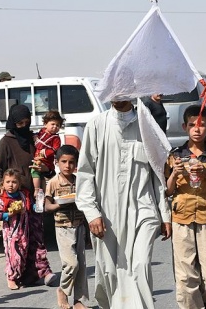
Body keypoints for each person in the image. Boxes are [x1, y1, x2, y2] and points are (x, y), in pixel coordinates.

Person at [75, 99, 171, 309]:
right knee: (109, 272)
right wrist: (92, 213)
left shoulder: (147, 126)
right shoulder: (97, 125)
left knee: (141, 265)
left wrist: (165, 215)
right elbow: (85, 173)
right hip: (107, 213)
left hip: (144, 210)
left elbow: (157, 175)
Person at [165, 105, 206, 309]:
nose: (197, 129)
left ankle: (205, 300)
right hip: (181, 219)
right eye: (192, 125)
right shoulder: (175, 154)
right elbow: (167, 190)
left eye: (202, 125)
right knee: (185, 277)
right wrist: (174, 174)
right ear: (185, 127)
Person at [0, 104, 56, 288]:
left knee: (37, 233)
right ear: (13, 122)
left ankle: (43, 271)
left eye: (27, 123)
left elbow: (47, 163)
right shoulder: (6, 141)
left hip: (35, 195)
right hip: (15, 198)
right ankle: (17, 274)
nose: (23, 126)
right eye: (20, 123)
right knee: (19, 239)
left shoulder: (34, 139)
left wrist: (46, 169)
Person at [44, 145, 88, 309]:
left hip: (80, 225)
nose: (67, 166)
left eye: (71, 162)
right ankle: (62, 290)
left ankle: (78, 301)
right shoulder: (54, 182)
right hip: (63, 227)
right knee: (71, 264)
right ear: (57, 162)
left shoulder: (79, 181)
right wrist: (60, 205)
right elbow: (47, 206)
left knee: (82, 265)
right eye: (64, 162)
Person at [0, 169, 36, 290]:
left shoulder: (23, 195)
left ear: (19, 184)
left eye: (14, 182)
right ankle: (10, 277)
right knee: (13, 254)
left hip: (23, 231)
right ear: (3, 183)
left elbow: (30, 206)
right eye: (8, 182)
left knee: (22, 253)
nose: (11, 185)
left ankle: (18, 276)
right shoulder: (2, 199)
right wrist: (10, 213)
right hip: (10, 233)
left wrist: (36, 205)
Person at [31, 110, 64, 197]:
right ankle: (41, 191)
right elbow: (36, 137)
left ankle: (37, 190)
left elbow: (56, 150)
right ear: (45, 124)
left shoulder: (56, 138)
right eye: (52, 124)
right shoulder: (41, 132)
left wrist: (45, 152)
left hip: (46, 161)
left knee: (35, 171)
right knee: (40, 176)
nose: (55, 127)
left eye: (58, 125)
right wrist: (34, 137)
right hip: (37, 157)